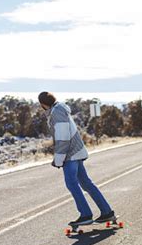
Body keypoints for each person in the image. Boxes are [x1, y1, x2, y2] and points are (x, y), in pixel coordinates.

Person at [38, 91, 116, 225]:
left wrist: (58, 159)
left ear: (43, 104)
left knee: (72, 184)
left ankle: (86, 215)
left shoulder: (57, 112)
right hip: (76, 152)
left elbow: (63, 138)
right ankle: (107, 212)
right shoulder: (59, 110)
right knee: (86, 183)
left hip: (70, 154)